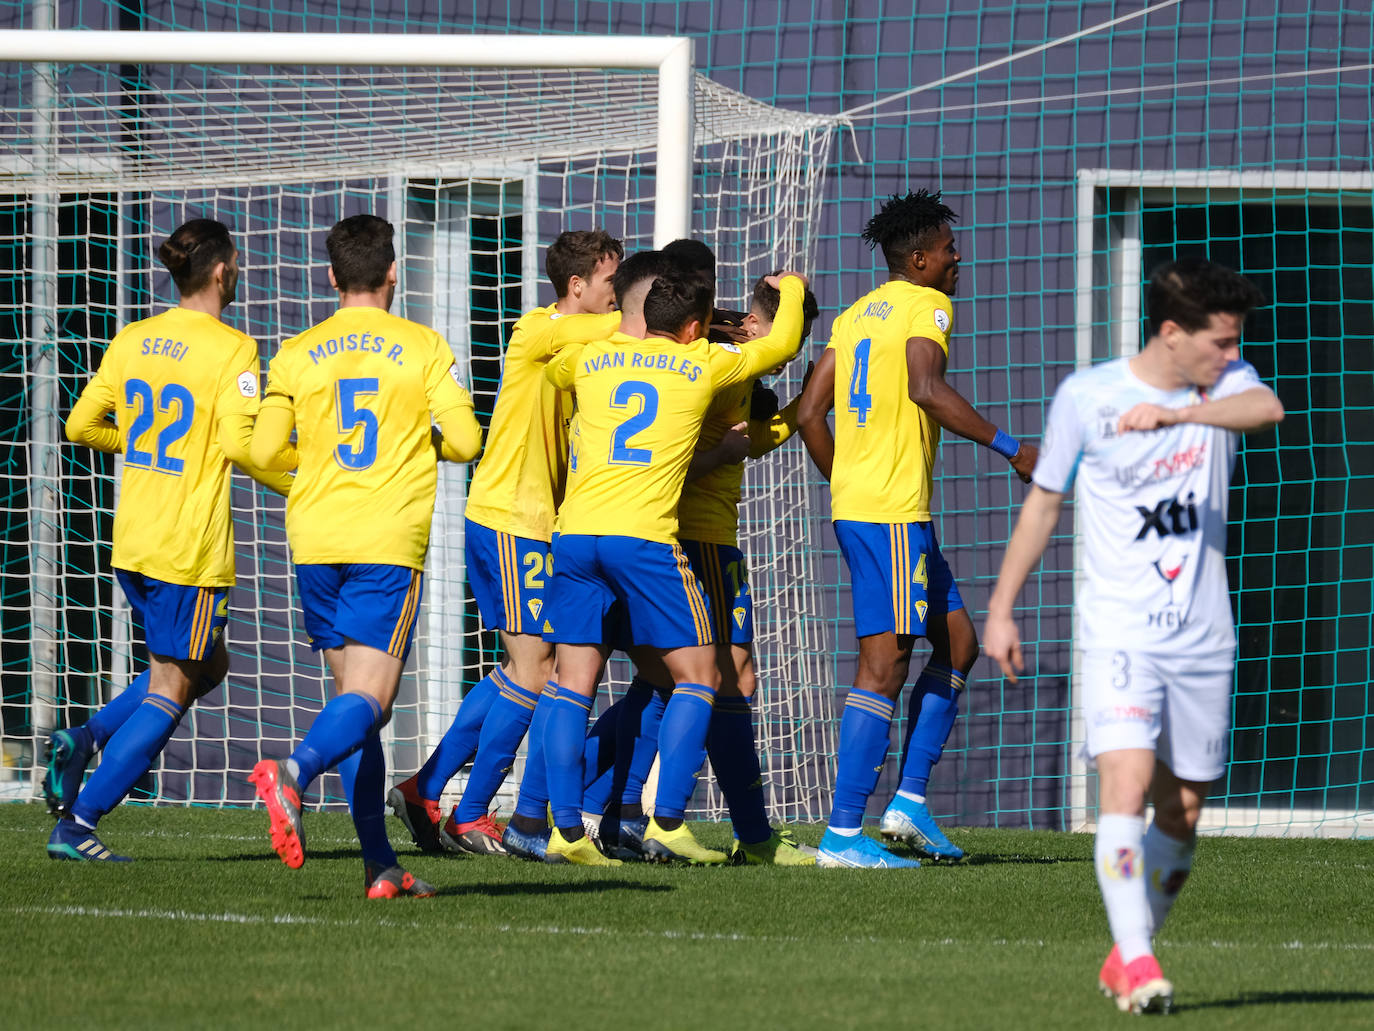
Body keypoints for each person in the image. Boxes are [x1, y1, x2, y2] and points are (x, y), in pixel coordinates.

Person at [982, 258, 1280, 1013]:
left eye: (1233, 342)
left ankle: (1125, 951)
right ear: (1171, 332)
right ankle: (1142, 961)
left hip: (1204, 634)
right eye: (1218, 341)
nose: (1229, 352)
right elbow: (1045, 504)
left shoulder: (1225, 382)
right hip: (1118, 627)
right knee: (1122, 780)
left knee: (1182, 807)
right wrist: (1002, 608)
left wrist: (1183, 415)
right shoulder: (1088, 395)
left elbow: (1268, 410)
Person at [537, 262, 808, 866]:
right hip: (645, 541)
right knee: (701, 677)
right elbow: (783, 341)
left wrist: (612, 339)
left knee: (570, 682)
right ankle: (666, 823)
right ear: (691, 328)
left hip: (575, 536)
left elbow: (555, 365)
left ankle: (563, 833)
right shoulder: (701, 365)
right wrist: (791, 289)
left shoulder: (592, 358)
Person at [796, 189, 1037, 869]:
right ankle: (843, 834)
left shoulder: (854, 314)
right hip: (892, 512)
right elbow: (927, 388)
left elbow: (812, 413)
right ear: (923, 259)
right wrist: (1013, 446)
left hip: (871, 506)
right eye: (950, 249)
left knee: (958, 641)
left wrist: (846, 478)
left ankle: (908, 803)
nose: (959, 258)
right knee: (885, 664)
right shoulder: (929, 306)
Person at [247, 213, 482, 899]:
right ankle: (292, 770)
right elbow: (465, 441)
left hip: (315, 538)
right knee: (371, 701)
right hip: (384, 540)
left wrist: (314, 471)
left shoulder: (297, 350)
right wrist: (418, 444)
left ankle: (380, 864)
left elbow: (261, 452)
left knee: (354, 704)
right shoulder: (421, 345)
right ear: (392, 274)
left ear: (330, 276)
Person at [46, 218, 293, 861]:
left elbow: (80, 424)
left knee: (208, 667)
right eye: (235, 264)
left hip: (134, 538)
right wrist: (304, 482)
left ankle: (87, 735)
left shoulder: (134, 338)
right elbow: (243, 445)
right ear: (220, 271)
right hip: (187, 546)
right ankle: (80, 823)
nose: (237, 273)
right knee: (172, 687)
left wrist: (146, 444)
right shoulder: (233, 348)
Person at [385, 229, 621, 859]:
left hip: (529, 522)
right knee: (538, 669)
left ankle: (426, 788)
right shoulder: (538, 330)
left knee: (525, 669)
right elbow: (619, 333)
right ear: (577, 287)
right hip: (513, 519)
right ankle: (470, 812)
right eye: (610, 284)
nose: (617, 298)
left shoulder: (591, 344)